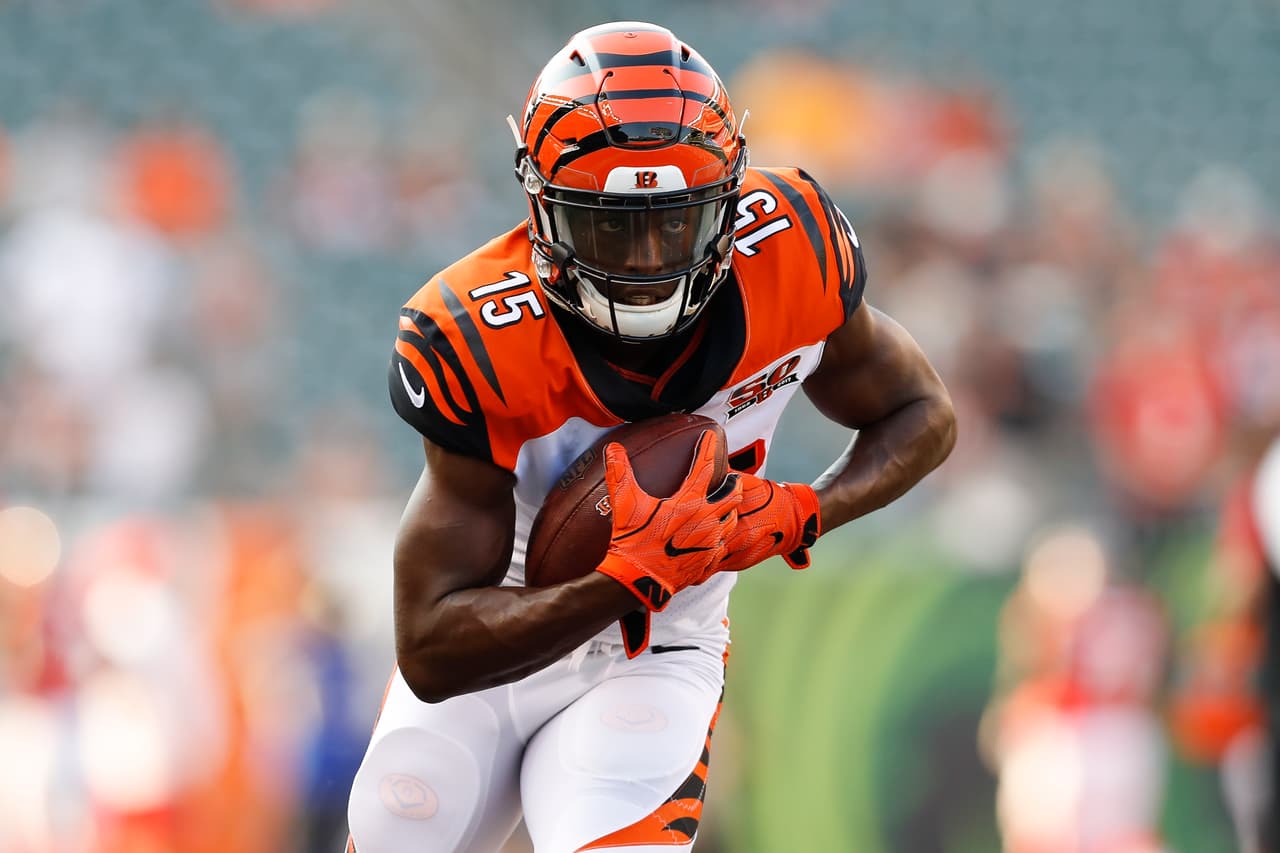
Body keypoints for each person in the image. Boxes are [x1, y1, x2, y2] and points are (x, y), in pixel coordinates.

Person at [346, 21, 956, 853]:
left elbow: (923, 414)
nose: (646, 262)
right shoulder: (476, 335)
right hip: (505, 637)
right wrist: (622, 573)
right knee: (395, 832)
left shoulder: (793, 254)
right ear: (542, 208)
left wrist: (802, 510)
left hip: (660, 647)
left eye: (675, 221)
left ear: (730, 201)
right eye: (610, 226)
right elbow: (429, 647)